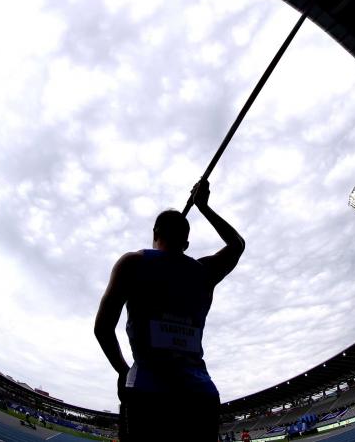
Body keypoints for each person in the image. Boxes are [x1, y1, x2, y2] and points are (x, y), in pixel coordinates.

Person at [95, 179, 245, 442]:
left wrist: (122, 370)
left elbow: (103, 329)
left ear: (155, 234)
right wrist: (204, 207)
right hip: (200, 394)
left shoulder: (132, 263)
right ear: (186, 243)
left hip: (147, 392)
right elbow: (237, 244)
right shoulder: (204, 272)